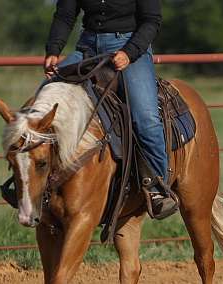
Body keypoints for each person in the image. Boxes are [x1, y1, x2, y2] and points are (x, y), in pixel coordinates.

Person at [44, 0, 178, 219]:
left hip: (130, 46)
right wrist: (53, 49)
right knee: (45, 98)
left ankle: (157, 188)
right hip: (86, 49)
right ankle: (37, 184)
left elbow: (151, 21)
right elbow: (65, 15)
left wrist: (129, 51)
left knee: (146, 119)